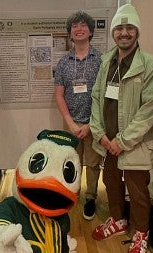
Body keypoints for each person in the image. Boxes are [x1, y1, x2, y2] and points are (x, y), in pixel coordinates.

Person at [89, 3, 153, 253]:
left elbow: (149, 112)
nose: (124, 33)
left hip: (134, 143)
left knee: (138, 189)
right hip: (107, 141)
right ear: (113, 33)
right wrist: (100, 135)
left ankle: (141, 232)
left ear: (137, 32)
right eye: (119, 28)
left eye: (129, 27)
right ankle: (119, 220)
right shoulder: (106, 62)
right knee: (110, 182)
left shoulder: (151, 66)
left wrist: (122, 141)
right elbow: (97, 97)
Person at [54, 10, 102, 221]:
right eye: (75, 27)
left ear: (90, 31)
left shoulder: (102, 59)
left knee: (92, 163)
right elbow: (59, 95)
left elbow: (106, 96)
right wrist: (70, 123)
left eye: (83, 25)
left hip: (95, 122)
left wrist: (92, 124)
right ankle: (71, 193)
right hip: (71, 123)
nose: (79, 29)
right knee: (71, 160)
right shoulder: (63, 63)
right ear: (70, 34)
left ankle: (90, 197)